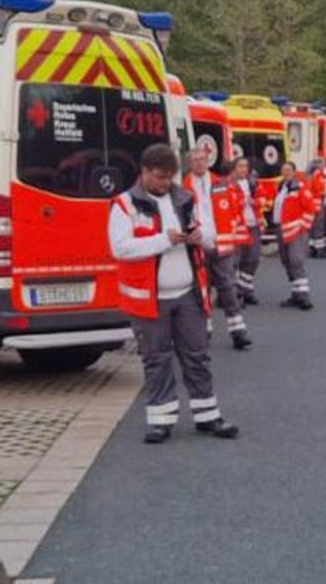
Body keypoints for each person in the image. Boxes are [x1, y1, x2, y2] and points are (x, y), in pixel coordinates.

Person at [108, 144, 240, 443]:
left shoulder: (184, 198)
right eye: (159, 177)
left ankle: (208, 416)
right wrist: (162, 240)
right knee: (157, 359)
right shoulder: (125, 205)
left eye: (169, 177)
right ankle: (160, 421)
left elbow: (211, 233)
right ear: (144, 172)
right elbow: (120, 248)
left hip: (188, 293)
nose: (165, 183)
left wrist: (198, 236)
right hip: (149, 299)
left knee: (197, 356)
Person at [183, 144, 252, 351]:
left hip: (221, 245)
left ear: (208, 160)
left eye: (202, 159)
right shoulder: (183, 188)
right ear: (189, 163)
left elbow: (235, 210)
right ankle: (205, 332)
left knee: (228, 288)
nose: (199, 163)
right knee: (201, 291)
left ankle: (238, 331)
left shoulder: (221, 184)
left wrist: (235, 237)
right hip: (198, 246)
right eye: (195, 160)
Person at [273, 163, 316, 309]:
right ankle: (296, 294)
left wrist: (302, 226)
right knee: (287, 262)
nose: (286, 172)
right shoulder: (281, 187)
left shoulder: (300, 187)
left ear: (294, 172)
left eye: (289, 170)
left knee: (296, 261)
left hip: (295, 231)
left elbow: (311, 209)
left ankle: (304, 297)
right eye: (283, 170)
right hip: (281, 229)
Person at [229, 156, 264, 308]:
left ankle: (243, 288)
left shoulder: (254, 182)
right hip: (237, 227)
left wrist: (254, 202)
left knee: (254, 258)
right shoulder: (229, 183)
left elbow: (264, 200)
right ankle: (236, 294)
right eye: (240, 166)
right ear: (234, 168)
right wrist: (241, 202)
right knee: (236, 261)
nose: (243, 169)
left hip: (253, 225)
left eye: (245, 166)